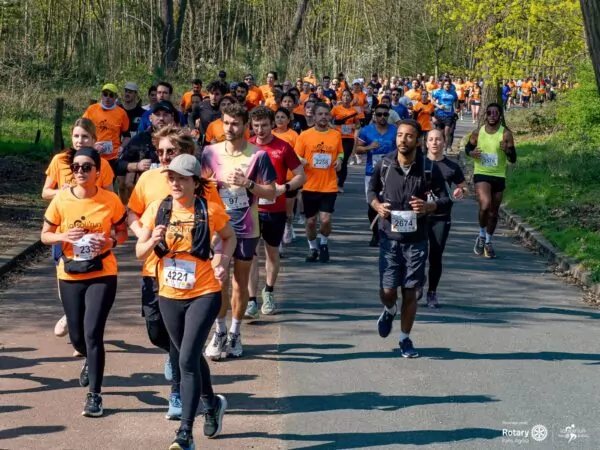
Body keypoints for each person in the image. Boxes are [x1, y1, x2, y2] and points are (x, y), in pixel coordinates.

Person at [136, 154, 235, 449]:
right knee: (187, 356)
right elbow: (140, 252)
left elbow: (229, 237)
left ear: (195, 182)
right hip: (169, 295)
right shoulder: (158, 209)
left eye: (182, 178)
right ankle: (212, 403)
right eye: (172, 178)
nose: (175, 183)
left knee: (187, 360)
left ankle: (185, 433)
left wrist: (222, 262)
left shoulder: (210, 210)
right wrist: (152, 240)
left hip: (204, 293)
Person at [128, 125, 224, 420]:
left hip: (194, 277)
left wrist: (218, 255)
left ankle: (178, 394)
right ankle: (187, 369)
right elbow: (132, 212)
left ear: (185, 153)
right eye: (160, 151)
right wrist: (146, 236)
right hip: (155, 267)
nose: (164, 157)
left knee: (181, 346)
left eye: (171, 151)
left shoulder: (202, 185)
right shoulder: (148, 179)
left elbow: (217, 225)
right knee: (156, 332)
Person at [41, 147, 128, 417]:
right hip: (70, 274)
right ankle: (89, 358)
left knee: (93, 333)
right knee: (77, 337)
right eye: (76, 167)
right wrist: (63, 236)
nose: (80, 171)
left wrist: (111, 241)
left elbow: (122, 232)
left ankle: (95, 395)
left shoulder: (110, 200)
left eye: (86, 167)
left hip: (102, 272)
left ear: (97, 172)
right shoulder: (61, 200)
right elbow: (45, 235)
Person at [368, 120, 450, 358]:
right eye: (400, 135)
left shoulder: (429, 168)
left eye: (409, 136)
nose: (403, 140)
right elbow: (371, 191)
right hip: (389, 238)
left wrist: (429, 206)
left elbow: (446, 199)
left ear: (418, 141)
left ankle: (405, 338)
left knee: (411, 291)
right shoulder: (385, 164)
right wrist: (377, 205)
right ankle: (389, 309)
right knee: (388, 290)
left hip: (416, 240)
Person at [202, 103, 276, 359]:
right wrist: (210, 184)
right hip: (217, 228)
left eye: (235, 123)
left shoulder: (258, 156)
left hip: (246, 227)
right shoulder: (210, 152)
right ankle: (220, 330)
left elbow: (271, 192)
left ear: (246, 126)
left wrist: (248, 183)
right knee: (218, 280)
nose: (229, 128)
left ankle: (235, 332)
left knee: (239, 283)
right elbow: (200, 186)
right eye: (226, 123)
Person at [44, 119, 115, 345]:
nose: (80, 141)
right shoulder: (59, 161)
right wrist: (62, 192)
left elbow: (111, 196)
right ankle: (71, 313)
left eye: (85, 136)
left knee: (91, 277)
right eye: (76, 136)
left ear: (94, 139)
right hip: (66, 233)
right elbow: (45, 192)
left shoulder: (102, 165)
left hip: (93, 232)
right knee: (65, 278)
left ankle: (85, 328)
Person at [245, 107, 306, 318]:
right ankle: (251, 300)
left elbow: (301, 176)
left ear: (272, 124)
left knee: (272, 253)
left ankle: (269, 291)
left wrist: (285, 187)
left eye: (264, 125)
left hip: (275, 209)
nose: (260, 130)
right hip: (250, 209)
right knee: (251, 255)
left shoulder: (283, 147)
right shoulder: (247, 147)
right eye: (256, 125)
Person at [466, 103, 516, 259]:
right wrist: (472, 153)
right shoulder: (478, 132)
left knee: (494, 213)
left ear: (500, 115)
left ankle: (488, 241)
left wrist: (507, 150)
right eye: (489, 113)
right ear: (486, 115)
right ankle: (481, 235)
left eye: (496, 113)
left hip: (499, 175)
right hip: (481, 173)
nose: (492, 115)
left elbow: (513, 158)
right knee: (485, 205)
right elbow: (468, 148)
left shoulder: (506, 134)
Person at [424, 129, 467, 308]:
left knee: (435, 255)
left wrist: (460, 191)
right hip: (419, 216)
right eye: (431, 139)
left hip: (441, 216)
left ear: (444, 142)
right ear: (426, 143)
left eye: (438, 139)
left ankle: (432, 292)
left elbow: (463, 186)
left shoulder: (452, 166)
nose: (434, 142)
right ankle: (416, 284)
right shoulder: (419, 163)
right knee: (416, 254)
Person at [295, 102, 343, 263]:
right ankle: (312, 247)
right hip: (310, 185)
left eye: (326, 114)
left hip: (329, 185)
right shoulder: (304, 135)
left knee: (325, 219)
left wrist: (339, 160)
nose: (323, 117)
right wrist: (301, 160)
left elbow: (341, 153)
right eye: (320, 114)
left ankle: (323, 243)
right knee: (310, 222)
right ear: (314, 117)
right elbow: (296, 155)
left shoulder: (335, 135)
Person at [355, 104, 397, 247]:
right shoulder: (366, 130)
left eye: (385, 114)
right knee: (372, 204)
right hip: (371, 173)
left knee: (392, 202)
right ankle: (375, 234)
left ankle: (391, 233)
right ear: (375, 115)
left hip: (391, 172)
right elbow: (357, 149)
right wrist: (369, 147)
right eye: (379, 114)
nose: (382, 117)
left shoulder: (395, 130)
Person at [82, 83, 130, 174]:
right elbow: (82, 129)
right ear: (102, 95)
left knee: (109, 181)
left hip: (113, 157)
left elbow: (127, 136)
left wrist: (122, 147)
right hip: (93, 153)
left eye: (111, 95)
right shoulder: (92, 109)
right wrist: (91, 145)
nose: (107, 98)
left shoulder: (121, 113)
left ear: (115, 98)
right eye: (105, 94)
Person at [331, 90, 360, 193]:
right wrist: (333, 127)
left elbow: (358, 125)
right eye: (344, 95)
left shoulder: (354, 110)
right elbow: (327, 118)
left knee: (343, 161)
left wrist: (353, 126)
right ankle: (333, 182)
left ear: (351, 98)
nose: (346, 97)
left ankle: (340, 184)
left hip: (348, 138)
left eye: (348, 96)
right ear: (341, 97)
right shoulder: (336, 109)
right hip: (336, 137)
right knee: (335, 160)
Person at [432, 79, 458, 153]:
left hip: (449, 115)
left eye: (448, 84)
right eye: (445, 84)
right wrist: (438, 106)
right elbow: (432, 101)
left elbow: (456, 100)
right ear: (443, 85)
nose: (447, 86)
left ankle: (445, 149)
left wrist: (457, 108)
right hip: (440, 115)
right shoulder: (439, 92)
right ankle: (439, 148)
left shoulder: (453, 92)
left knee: (447, 133)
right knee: (440, 133)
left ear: (450, 85)